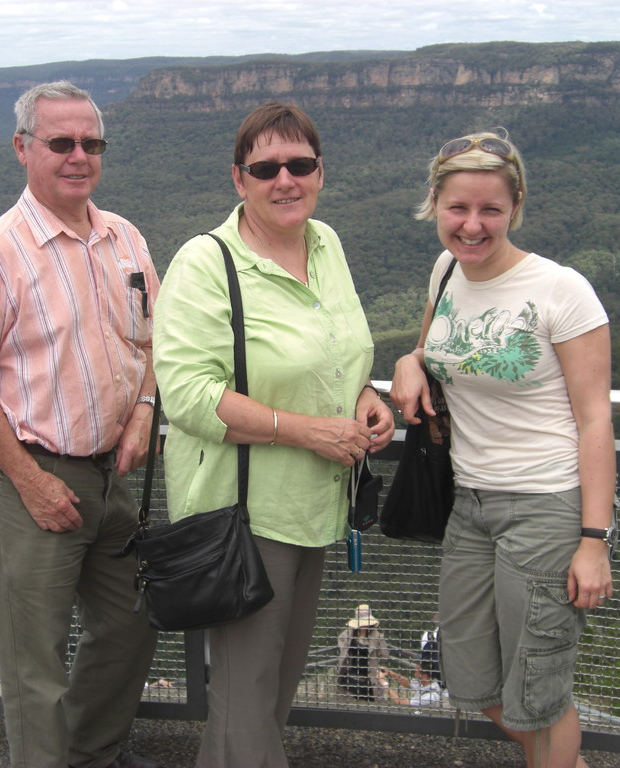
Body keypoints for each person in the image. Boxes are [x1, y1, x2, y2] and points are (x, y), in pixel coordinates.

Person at [152, 102, 395, 768]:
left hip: (317, 504)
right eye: (266, 168)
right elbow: (188, 395)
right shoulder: (205, 263)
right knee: (247, 694)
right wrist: (300, 430)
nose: (285, 179)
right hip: (245, 514)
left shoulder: (327, 244)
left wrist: (366, 397)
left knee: (269, 689)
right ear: (239, 179)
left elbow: (337, 352)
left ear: (320, 171)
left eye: (300, 164)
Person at [0, 81, 164, 768]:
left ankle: (91, 753)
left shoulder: (124, 237)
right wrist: (30, 481)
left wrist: (145, 408)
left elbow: (156, 339)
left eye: (91, 144)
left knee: (130, 623)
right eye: (61, 142)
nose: (78, 156)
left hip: (109, 472)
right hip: (29, 477)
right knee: (35, 661)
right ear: (23, 148)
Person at [391, 130, 616, 768]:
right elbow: (437, 350)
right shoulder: (445, 271)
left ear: (515, 208)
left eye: (490, 209)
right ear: (435, 203)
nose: (472, 225)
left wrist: (593, 540)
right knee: (469, 674)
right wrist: (408, 361)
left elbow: (595, 419)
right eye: (458, 207)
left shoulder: (561, 291)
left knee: (537, 691)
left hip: (545, 506)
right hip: (470, 505)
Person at [336, 603, 390, 701]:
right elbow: (341, 641)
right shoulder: (349, 633)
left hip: (369, 677)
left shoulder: (377, 636)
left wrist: (376, 661)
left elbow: (384, 655)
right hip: (351, 674)